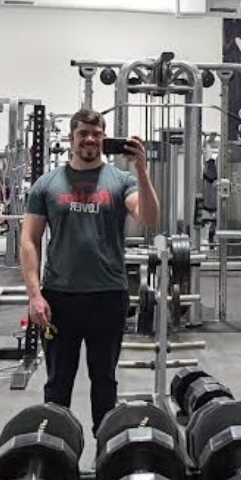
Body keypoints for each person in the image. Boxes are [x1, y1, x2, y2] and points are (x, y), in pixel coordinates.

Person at [21, 109, 159, 434]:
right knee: (57, 383)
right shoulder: (47, 184)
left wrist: (142, 170)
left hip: (107, 296)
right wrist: (34, 295)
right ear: (71, 137)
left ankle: (107, 454)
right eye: (83, 133)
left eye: (96, 134)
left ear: (103, 137)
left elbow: (150, 219)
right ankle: (55, 448)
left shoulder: (121, 180)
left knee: (104, 382)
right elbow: (29, 241)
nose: (90, 140)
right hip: (58, 298)